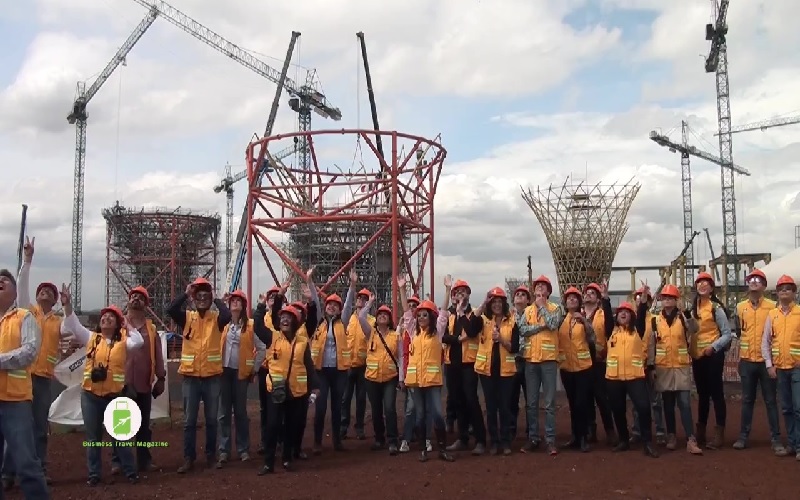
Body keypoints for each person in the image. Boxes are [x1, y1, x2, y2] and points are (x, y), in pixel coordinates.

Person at [3, 237, 73, 488]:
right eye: (42, 290)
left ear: (55, 300)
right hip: (21, 377)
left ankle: (40, 469)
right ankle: (8, 474)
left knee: (40, 427)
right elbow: (20, 288)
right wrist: (27, 260)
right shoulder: (26, 312)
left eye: (50, 292)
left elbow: (74, 327)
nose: (45, 292)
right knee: (14, 429)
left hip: (42, 379)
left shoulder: (59, 323)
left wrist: (68, 307)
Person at [60, 284, 146, 484]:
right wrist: (67, 305)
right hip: (90, 395)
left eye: (111, 317)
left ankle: (130, 471)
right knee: (93, 438)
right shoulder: (92, 338)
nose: (106, 319)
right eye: (104, 317)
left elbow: (140, 342)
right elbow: (73, 325)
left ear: (117, 324)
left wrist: (127, 324)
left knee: (121, 437)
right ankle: (94, 475)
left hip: (115, 396)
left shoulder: (125, 342)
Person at [166, 277, 232, 473]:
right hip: (191, 378)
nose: (202, 298)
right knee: (189, 421)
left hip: (212, 378)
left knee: (212, 420)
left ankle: (211, 456)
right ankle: (189, 458)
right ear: (194, 299)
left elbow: (227, 315)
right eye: (198, 296)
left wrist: (218, 299)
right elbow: (170, 310)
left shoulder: (217, 319)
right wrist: (186, 294)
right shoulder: (187, 317)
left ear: (210, 298)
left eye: (206, 296)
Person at [0, 268, 50, 498]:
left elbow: (30, 351)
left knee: (27, 464)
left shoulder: (24, 316)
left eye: (4, 280)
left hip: (15, 401)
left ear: (14, 290)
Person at [253, 301, 319, 474]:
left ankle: (287, 459)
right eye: (282, 317)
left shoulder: (303, 342)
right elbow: (257, 326)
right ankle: (268, 462)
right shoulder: (272, 337)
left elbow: (309, 366)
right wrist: (260, 306)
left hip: (296, 391)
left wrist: (315, 387)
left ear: (295, 321)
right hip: (276, 390)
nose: (284, 320)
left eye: (288, 317)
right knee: (272, 425)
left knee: (291, 425)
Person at [640, 284, 702, 454]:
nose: (667, 301)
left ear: (676, 300)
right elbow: (652, 345)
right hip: (663, 368)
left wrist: (687, 314)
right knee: (667, 404)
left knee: (684, 404)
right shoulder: (655, 321)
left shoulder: (683, 318)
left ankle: (691, 438)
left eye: (670, 298)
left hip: (681, 367)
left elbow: (695, 329)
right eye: (665, 298)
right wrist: (651, 367)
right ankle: (672, 435)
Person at [111, 286, 167, 475]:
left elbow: (158, 355)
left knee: (143, 426)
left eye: (141, 298)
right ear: (128, 301)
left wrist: (161, 377)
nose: (136, 299)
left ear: (146, 305)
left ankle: (144, 460)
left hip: (143, 384)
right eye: (133, 296)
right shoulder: (117, 325)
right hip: (121, 383)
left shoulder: (151, 329)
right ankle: (118, 461)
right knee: (120, 425)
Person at [269, 269, 321, 460]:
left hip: (301, 381)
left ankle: (296, 448)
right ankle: (283, 448)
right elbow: (276, 315)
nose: (295, 314)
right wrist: (280, 295)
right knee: (280, 419)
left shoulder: (306, 329)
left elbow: (314, 316)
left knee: (299, 420)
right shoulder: (281, 329)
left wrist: (311, 301)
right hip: (283, 380)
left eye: (300, 311)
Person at [734, 269, 786, 454]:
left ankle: (776, 439)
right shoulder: (740, 307)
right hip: (747, 360)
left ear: (764, 285)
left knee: (771, 400)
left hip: (766, 361)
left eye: (758, 280)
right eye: (751, 280)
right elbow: (740, 331)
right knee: (747, 400)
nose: (754, 282)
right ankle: (743, 436)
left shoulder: (772, 306)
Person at [404, 276, 453, 462]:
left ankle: (442, 449)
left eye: (425, 315)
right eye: (419, 315)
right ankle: (423, 449)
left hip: (432, 381)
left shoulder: (438, 332)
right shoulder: (412, 331)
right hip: (416, 381)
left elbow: (443, 313)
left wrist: (447, 290)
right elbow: (407, 313)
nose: (421, 317)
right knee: (420, 416)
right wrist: (402, 289)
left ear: (431, 317)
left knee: (438, 415)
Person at [309, 269, 356, 454]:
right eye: (329, 305)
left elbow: (349, 306)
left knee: (337, 407)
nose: (332, 307)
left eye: (335, 305)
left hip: (339, 371)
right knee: (320, 409)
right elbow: (314, 298)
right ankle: (317, 442)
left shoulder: (342, 322)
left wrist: (352, 286)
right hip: (320, 371)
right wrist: (310, 280)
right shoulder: (319, 321)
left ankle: (337, 441)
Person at [605, 300, 658, 458]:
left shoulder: (637, 331)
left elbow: (641, 317)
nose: (623, 313)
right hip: (614, 378)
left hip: (635, 377)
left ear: (632, 316)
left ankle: (647, 442)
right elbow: (607, 316)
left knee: (643, 408)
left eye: (627, 312)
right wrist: (606, 298)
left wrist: (642, 302)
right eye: (620, 311)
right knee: (618, 409)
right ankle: (623, 440)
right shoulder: (611, 331)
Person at [217, 290, 263, 467]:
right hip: (224, 372)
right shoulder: (224, 326)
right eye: (232, 301)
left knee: (241, 413)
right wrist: (220, 300)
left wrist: (254, 369)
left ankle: (243, 449)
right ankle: (224, 450)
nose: (235, 303)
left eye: (238, 301)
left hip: (241, 374)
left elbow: (261, 349)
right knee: (224, 413)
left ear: (244, 305)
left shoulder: (251, 326)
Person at [519, 275, 564, 455]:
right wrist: (540, 327)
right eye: (537, 286)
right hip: (531, 361)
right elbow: (522, 329)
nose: (540, 289)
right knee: (531, 403)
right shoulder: (527, 311)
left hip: (548, 361)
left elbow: (553, 324)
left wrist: (542, 308)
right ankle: (533, 438)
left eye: (543, 287)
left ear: (548, 291)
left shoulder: (556, 308)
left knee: (549, 403)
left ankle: (550, 440)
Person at [474, 287, 520, 455]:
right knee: (491, 407)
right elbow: (471, 325)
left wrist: (501, 339)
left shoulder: (512, 321)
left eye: (500, 302)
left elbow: (515, 347)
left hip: (506, 372)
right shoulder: (483, 320)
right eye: (494, 302)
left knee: (505, 407)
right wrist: (483, 303)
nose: (497, 305)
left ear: (504, 304)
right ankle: (494, 442)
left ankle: (506, 442)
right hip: (487, 372)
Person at [690, 272, 733, 449]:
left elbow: (727, 334)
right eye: (700, 283)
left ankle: (719, 433)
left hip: (713, 355)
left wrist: (713, 347)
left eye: (706, 283)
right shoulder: (693, 309)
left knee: (716, 393)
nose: (702, 286)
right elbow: (692, 332)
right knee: (702, 395)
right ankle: (701, 431)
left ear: (711, 288)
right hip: (698, 357)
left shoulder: (716, 308)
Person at [443, 279, 486, 455]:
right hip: (451, 364)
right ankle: (462, 438)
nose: (460, 294)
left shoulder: (475, 314)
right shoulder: (447, 315)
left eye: (463, 291)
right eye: (457, 292)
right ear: (453, 296)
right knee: (457, 400)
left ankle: (481, 439)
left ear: (468, 294)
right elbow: (442, 335)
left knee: (471, 400)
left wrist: (462, 314)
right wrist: (457, 339)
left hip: (469, 363)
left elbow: (473, 331)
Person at [356, 296, 403, 454]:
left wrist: (401, 378)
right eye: (380, 314)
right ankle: (379, 438)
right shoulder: (371, 333)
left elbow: (401, 358)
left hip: (390, 377)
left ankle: (392, 441)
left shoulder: (396, 336)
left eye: (386, 314)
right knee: (376, 409)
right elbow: (361, 316)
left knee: (389, 408)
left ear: (389, 319)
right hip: (372, 378)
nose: (382, 316)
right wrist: (370, 302)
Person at [762, 274, 800, 460]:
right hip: (780, 369)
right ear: (777, 293)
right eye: (781, 289)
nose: (784, 291)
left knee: (798, 407)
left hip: (797, 368)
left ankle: (799, 445)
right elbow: (765, 342)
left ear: (794, 292)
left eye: (788, 288)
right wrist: (769, 365)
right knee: (786, 408)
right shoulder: (772, 315)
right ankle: (792, 444)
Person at [557, 286, 596, 452]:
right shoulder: (561, 320)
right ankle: (575, 436)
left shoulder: (584, 318)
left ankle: (583, 438)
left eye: (574, 298)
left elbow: (592, 338)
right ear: (565, 302)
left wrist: (584, 322)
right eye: (569, 298)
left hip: (583, 368)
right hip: (567, 368)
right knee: (573, 403)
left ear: (579, 301)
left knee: (581, 403)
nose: (571, 300)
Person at [396, 282, 431, 453]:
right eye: (409, 306)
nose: (411, 308)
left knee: (427, 409)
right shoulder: (407, 331)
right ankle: (407, 439)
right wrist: (402, 377)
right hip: (412, 376)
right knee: (410, 409)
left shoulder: (429, 331)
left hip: (428, 376)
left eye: (414, 306)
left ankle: (427, 438)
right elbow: (402, 355)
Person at [631, 287, 666, 445]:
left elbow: (657, 344)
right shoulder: (630, 321)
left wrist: (652, 366)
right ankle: (637, 430)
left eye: (643, 298)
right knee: (636, 402)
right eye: (637, 297)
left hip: (651, 365)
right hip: (635, 366)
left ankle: (659, 430)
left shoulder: (655, 320)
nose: (640, 300)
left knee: (655, 401)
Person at [583, 282, 617, 445]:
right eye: (587, 292)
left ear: (597, 299)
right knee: (587, 398)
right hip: (582, 363)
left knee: (602, 398)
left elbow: (610, 329)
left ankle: (610, 431)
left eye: (592, 293)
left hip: (599, 361)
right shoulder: (577, 314)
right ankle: (591, 430)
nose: (589, 294)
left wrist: (606, 299)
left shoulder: (603, 314)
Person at [342, 288, 372, 441]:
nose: (361, 300)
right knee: (345, 398)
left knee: (361, 398)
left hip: (363, 366)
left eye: (364, 298)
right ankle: (343, 426)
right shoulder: (348, 319)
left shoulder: (371, 321)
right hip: (348, 365)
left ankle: (359, 427)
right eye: (359, 298)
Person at [256, 285, 280, 457]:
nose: (272, 299)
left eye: (275, 297)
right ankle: (266, 441)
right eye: (270, 296)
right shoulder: (262, 319)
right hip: (265, 368)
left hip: (281, 369)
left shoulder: (284, 318)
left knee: (281, 406)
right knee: (265, 407)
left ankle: (281, 440)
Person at [510, 285, 531, 439]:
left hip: (529, 359)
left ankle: (532, 430)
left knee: (531, 398)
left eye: (523, 294)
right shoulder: (508, 316)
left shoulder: (533, 315)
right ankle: (511, 429)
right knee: (512, 397)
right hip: (513, 360)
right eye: (517, 294)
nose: (519, 297)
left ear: (528, 300)